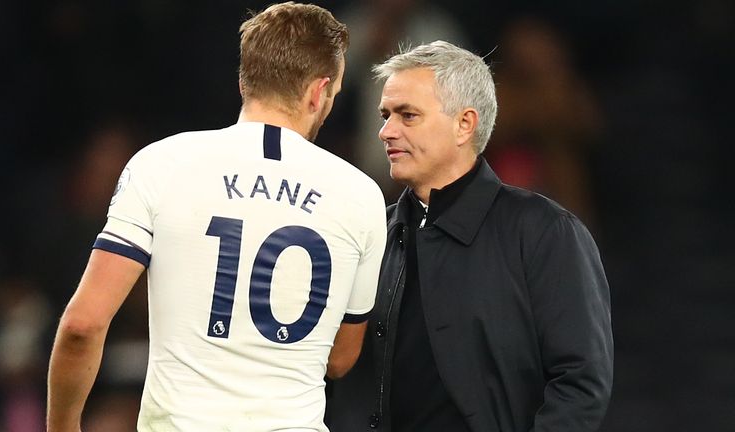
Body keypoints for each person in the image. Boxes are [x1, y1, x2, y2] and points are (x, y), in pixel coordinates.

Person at [47, 3, 387, 431]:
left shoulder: (161, 164)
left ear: (244, 81)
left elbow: (82, 324)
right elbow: (340, 358)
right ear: (318, 93)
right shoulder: (362, 196)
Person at [327, 40, 613, 431]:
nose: (386, 132)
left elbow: (581, 383)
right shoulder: (374, 233)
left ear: (465, 124)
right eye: (385, 116)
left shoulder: (545, 230)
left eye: (407, 115)